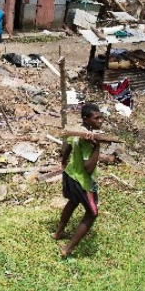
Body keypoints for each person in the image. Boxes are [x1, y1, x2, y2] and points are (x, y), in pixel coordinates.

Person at [52, 103, 104, 258]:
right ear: (86, 119)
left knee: (73, 202)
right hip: (83, 181)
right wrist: (97, 147)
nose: (100, 121)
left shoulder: (77, 130)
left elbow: (68, 147)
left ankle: (58, 233)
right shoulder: (87, 140)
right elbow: (88, 169)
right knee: (92, 214)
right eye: (96, 118)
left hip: (70, 174)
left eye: (101, 117)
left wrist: (63, 163)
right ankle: (67, 249)